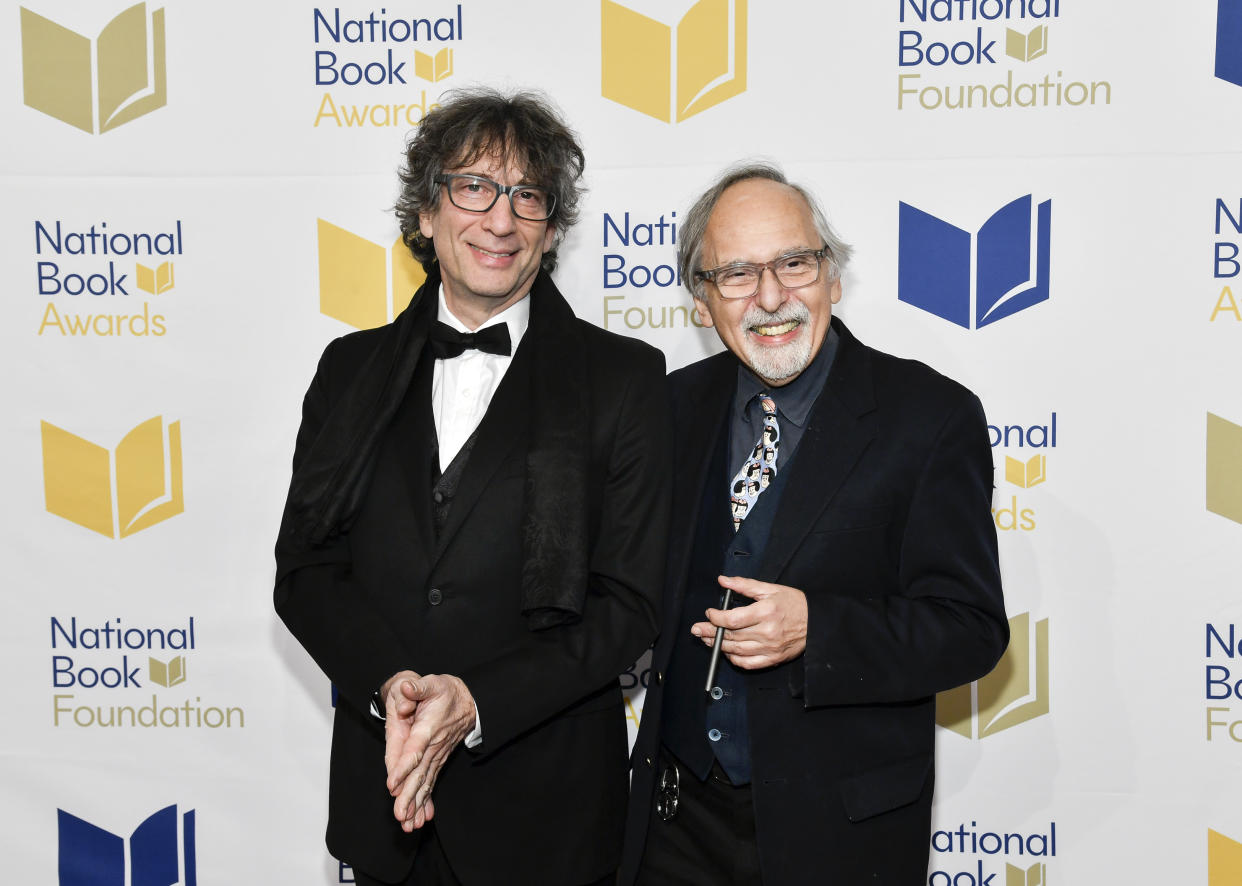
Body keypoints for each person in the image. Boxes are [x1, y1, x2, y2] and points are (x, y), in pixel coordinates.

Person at [275, 88, 668, 886]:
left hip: (547, 822)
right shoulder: (348, 371)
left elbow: (631, 605)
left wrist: (475, 704)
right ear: (425, 213)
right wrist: (394, 687)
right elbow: (307, 571)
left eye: (529, 196)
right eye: (473, 187)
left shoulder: (624, 379)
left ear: (551, 228)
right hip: (386, 811)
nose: (500, 219)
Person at [619, 163, 1008, 885]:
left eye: (794, 263)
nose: (771, 296)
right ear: (703, 303)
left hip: (839, 833)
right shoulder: (669, 408)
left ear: (833, 276)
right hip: (675, 828)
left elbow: (971, 630)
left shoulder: (930, 416)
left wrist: (817, 628)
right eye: (736, 274)